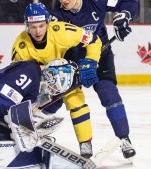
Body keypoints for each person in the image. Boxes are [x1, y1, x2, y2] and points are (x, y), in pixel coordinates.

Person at [11, 2, 102, 158]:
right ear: (27, 26)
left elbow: (93, 40)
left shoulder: (61, 31)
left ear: (47, 22)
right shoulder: (20, 46)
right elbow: (17, 76)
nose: (37, 31)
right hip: (39, 82)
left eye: (41, 25)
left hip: (64, 75)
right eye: (33, 27)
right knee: (31, 109)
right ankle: (32, 132)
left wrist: (91, 62)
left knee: (76, 101)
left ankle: (85, 143)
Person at [50, 0, 137, 159]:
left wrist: (124, 15)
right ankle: (85, 142)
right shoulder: (56, 16)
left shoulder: (97, 1)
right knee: (73, 100)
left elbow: (128, 1)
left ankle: (124, 138)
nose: (64, 1)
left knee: (109, 94)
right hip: (72, 62)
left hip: (100, 55)